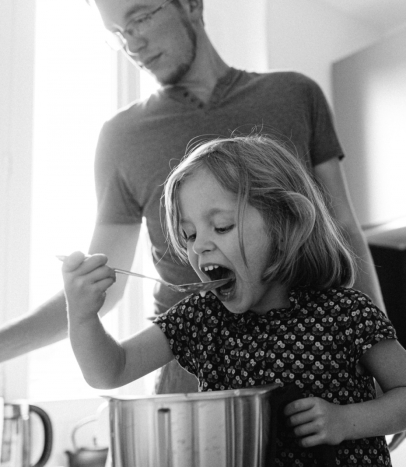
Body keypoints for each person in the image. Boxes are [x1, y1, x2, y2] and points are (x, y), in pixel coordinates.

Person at [0, 0, 384, 394]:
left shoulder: (296, 95)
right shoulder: (121, 137)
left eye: (140, 17)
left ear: (190, 5)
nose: (132, 43)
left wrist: (380, 346)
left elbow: (342, 231)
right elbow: (107, 282)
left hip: (313, 358)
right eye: (117, 33)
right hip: (188, 376)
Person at [61, 135, 406, 467]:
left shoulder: (344, 312)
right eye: (189, 235)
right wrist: (82, 315)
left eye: (221, 227)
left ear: (286, 224)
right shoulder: (202, 316)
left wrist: (344, 421)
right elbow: (110, 370)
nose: (199, 245)